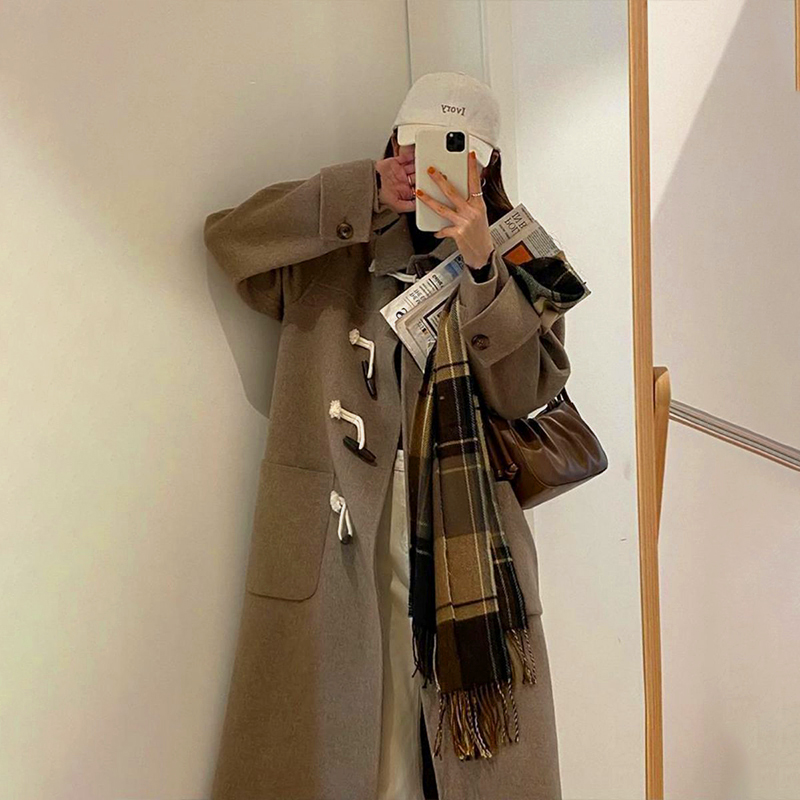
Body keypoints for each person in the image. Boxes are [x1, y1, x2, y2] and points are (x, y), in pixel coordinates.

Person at [203, 71, 570, 800]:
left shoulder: (525, 256)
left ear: (488, 161)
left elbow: (527, 391)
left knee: (447, 745)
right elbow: (230, 241)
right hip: (344, 524)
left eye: (458, 148)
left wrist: (481, 269)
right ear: (396, 142)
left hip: (462, 530)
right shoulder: (340, 240)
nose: (431, 162)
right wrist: (361, 193)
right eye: (417, 142)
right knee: (360, 732)